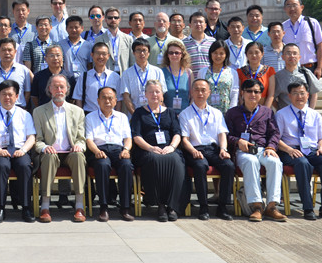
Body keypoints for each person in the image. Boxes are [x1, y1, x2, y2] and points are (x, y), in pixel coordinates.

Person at [276, 80, 322, 221]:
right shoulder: (281, 114)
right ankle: (308, 207)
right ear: (289, 96)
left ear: (308, 95)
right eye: (295, 93)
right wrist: (289, 150)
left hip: (311, 150)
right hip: (290, 151)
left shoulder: (315, 115)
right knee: (302, 163)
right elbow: (276, 139)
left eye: (302, 93)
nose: (299, 97)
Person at [225, 79, 286, 222]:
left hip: (263, 149)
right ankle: (257, 206)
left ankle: (272, 206)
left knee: (275, 162)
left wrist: (271, 147)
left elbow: (275, 133)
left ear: (260, 94)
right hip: (243, 151)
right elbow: (226, 135)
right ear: (242, 93)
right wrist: (238, 141)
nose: (253, 94)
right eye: (249, 91)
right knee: (251, 162)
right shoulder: (232, 113)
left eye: (256, 92)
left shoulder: (267, 112)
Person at [32, 74, 87, 223]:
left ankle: (79, 206)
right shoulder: (39, 111)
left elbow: (81, 138)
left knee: (79, 156)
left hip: (70, 153)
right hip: (51, 153)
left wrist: (78, 146)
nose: (59, 90)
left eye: (62, 87)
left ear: (67, 89)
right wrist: (45, 147)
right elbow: (37, 140)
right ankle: (45, 206)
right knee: (49, 157)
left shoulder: (77, 111)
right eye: (55, 87)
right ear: (49, 89)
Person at [178, 79, 234, 221]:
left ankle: (223, 207)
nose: (200, 93)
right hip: (194, 149)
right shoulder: (185, 114)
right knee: (200, 166)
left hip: (213, 149)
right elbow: (184, 139)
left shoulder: (217, 113)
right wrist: (193, 151)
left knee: (228, 165)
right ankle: (203, 207)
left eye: (203, 90)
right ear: (191, 92)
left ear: (209, 92)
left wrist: (223, 149)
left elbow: (222, 134)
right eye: (196, 90)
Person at [130, 79, 184, 222]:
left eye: (157, 92)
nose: (154, 94)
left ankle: (172, 206)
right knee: (154, 160)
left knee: (176, 161)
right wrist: (151, 148)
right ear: (145, 94)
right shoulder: (139, 113)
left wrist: (172, 147)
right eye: (151, 92)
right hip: (147, 150)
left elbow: (177, 133)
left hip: (168, 148)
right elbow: (136, 136)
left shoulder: (170, 112)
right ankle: (160, 205)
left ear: (162, 94)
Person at [0, 80, 36, 223]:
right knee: (1, 166)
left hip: (20, 150)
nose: (7, 97)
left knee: (24, 166)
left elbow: (31, 137)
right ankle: (0, 208)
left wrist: (23, 150)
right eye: (4, 94)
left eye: (10, 94)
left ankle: (26, 207)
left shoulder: (25, 115)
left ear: (17, 96)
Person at [85, 86, 134, 222]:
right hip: (99, 149)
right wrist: (96, 151)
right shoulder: (90, 117)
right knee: (102, 165)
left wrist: (126, 150)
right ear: (98, 100)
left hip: (118, 149)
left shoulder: (122, 117)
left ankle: (125, 208)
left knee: (126, 166)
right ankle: (103, 207)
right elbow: (89, 140)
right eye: (104, 98)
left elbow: (128, 138)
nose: (107, 101)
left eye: (110, 98)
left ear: (115, 100)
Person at [265, 43, 322, 110]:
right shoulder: (277, 77)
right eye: (288, 53)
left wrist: (310, 111)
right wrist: (281, 110)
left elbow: (314, 94)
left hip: (304, 112)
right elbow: (272, 97)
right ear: (283, 57)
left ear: (299, 57)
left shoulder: (306, 73)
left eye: (295, 53)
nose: (292, 56)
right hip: (286, 114)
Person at [282, 0, 322, 79]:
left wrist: (319, 68)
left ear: (302, 7)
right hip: (290, 70)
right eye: (288, 6)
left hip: (309, 68)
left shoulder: (312, 23)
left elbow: (320, 45)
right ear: (285, 9)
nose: (292, 8)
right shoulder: (283, 26)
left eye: (294, 5)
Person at [72, 42, 120, 114]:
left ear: (108, 56)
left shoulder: (115, 76)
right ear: (92, 55)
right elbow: (78, 99)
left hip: (110, 115)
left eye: (104, 54)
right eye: (98, 53)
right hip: (89, 114)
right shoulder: (84, 76)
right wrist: (80, 117)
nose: (101, 56)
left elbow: (119, 100)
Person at [120, 39, 165, 114]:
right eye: (138, 50)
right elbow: (126, 97)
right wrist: (135, 115)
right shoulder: (126, 74)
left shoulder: (157, 72)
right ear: (133, 53)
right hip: (134, 115)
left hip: (154, 114)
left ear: (149, 53)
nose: (142, 53)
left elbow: (161, 95)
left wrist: (155, 114)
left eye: (144, 50)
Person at [0, 38, 32, 109]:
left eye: (10, 50)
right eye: (3, 50)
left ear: (15, 52)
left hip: (18, 108)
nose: (7, 53)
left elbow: (27, 92)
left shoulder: (23, 70)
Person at [196, 40, 239, 113]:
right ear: (211, 54)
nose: (218, 56)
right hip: (206, 112)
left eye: (221, 53)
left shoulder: (232, 72)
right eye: (215, 53)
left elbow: (234, 94)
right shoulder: (202, 72)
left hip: (226, 112)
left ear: (226, 55)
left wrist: (231, 112)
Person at [30, 44, 75, 109]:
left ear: (62, 58)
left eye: (58, 55)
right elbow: (34, 97)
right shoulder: (38, 76)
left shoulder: (69, 77)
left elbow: (72, 99)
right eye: (52, 55)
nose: (55, 58)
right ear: (45, 58)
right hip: (44, 111)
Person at [95, 7, 134, 74]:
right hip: (106, 75)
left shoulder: (128, 39)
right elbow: (96, 61)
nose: (113, 20)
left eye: (115, 17)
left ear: (119, 19)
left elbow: (132, 61)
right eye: (110, 18)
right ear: (106, 20)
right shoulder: (99, 39)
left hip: (124, 74)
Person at [162, 40, 192, 116]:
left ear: (182, 55)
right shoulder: (161, 72)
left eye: (177, 53)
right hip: (167, 115)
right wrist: (168, 114)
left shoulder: (189, 73)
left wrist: (187, 113)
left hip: (186, 115)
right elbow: (159, 98)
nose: (174, 55)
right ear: (167, 55)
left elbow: (193, 97)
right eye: (171, 53)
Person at [58, 15, 90, 83]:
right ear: (66, 29)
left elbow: (90, 65)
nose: (74, 30)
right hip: (66, 80)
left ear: (82, 28)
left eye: (76, 27)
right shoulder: (60, 45)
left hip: (83, 80)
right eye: (71, 27)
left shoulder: (88, 45)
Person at [183, 12, 216, 76]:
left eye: (200, 22)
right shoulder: (183, 43)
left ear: (205, 25)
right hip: (190, 78)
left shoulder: (213, 42)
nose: (198, 24)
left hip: (209, 78)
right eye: (195, 22)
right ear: (190, 25)